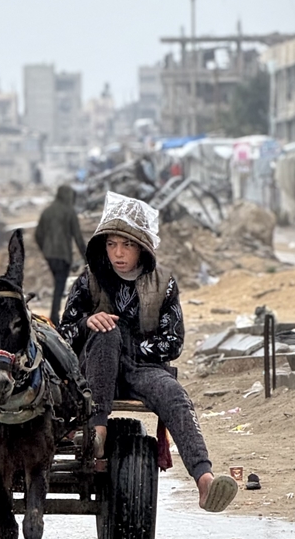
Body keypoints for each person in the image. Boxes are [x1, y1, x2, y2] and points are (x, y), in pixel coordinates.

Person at [58, 192, 237, 513]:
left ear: (141, 247)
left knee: (175, 395)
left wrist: (134, 350)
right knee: (107, 330)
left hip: (142, 366)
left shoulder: (164, 283)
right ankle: (97, 432)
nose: (118, 253)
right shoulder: (88, 280)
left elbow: (173, 342)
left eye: (126, 245)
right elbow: (63, 336)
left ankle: (204, 479)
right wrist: (87, 322)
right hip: (95, 370)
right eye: (112, 244)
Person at [34, 184, 87, 324]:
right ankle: (55, 316)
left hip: (50, 255)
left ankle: (55, 315)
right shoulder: (69, 212)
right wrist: (87, 258)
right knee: (59, 285)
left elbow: (38, 234)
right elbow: (78, 237)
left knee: (58, 284)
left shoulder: (47, 211)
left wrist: (44, 250)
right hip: (63, 255)